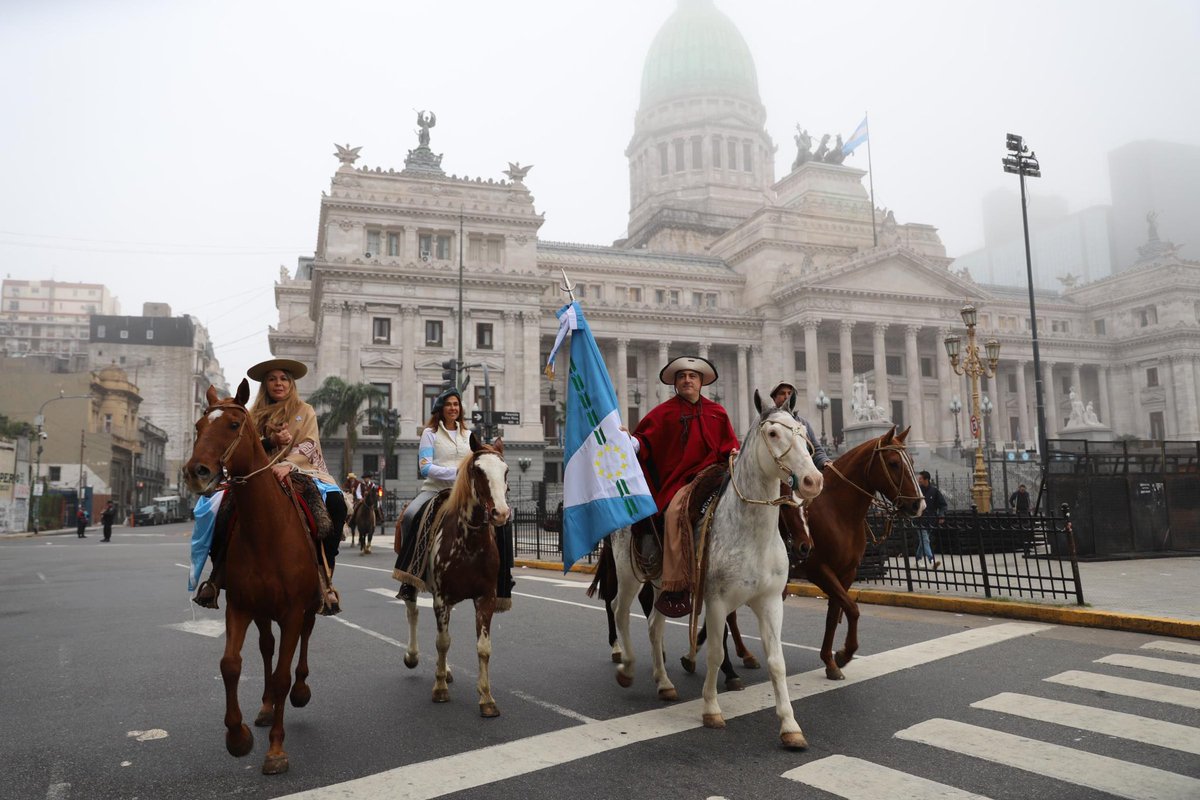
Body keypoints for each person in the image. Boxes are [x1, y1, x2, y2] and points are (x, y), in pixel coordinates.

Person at [190, 358, 347, 613]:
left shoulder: (305, 410)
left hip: (301, 470)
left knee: (337, 505)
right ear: (265, 385)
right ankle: (217, 574)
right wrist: (270, 441)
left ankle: (324, 573)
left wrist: (289, 464)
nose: (278, 383)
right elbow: (245, 445)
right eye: (272, 379)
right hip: (257, 473)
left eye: (283, 378)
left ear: (291, 383)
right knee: (215, 510)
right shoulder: (251, 414)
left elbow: (309, 443)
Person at [627, 356, 740, 618]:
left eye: (692, 376)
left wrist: (734, 453)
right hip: (683, 481)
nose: (687, 380)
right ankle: (676, 584)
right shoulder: (664, 413)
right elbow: (644, 441)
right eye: (682, 376)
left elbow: (729, 444)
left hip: (717, 474)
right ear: (675, 383)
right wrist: (629, 441)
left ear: (701, 382)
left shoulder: (717, 412)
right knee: (675, 512)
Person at [393, 388, 470, 602]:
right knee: (410, 516)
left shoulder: (468, 435)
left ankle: (500, 576)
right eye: (449, 404)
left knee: (499, 517)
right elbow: (425, 467)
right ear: (441, 409)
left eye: (456, 404)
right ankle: (409, 577)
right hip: (434, 490)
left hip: (463, 492)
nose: (453, 408)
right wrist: (456, 473)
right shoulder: (430, 433)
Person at [916, 470, 947, 568]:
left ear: (926, 480)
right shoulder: (917, 491)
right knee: (925, 540)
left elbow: (943, 505)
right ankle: (932, 560)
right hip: (919, 520)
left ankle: (918, 559)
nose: (919, 480)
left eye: (920, 478)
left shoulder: (934, 491)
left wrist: (941, 515)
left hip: (931, 521)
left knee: (923, 542)